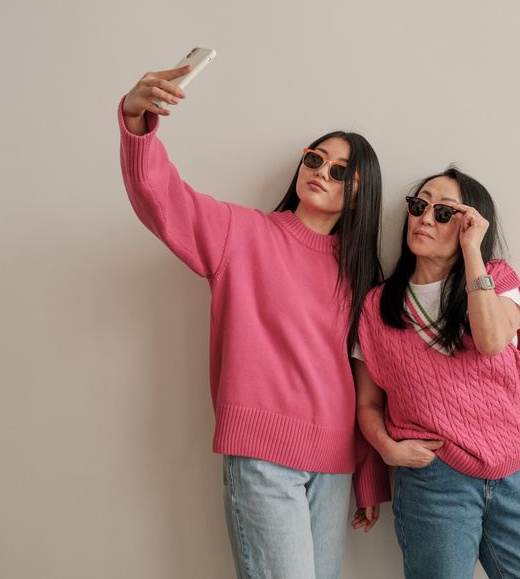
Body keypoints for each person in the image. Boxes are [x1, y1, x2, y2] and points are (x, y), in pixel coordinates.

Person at [118, 65, 390, 579]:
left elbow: (364, 382)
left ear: (359, 192)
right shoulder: (241, 234)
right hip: (264, 460)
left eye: (339, 171)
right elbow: (162, 198)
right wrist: (137, 122)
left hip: (333, 468)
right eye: (316, 159)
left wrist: (368, 477)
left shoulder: (361, 276)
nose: (321, 172)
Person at [353, 166, 520, 578]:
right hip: (434, 483)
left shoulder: (497, 278)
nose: (425, 218)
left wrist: (472, 252)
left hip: (512, 475)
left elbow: (490, 341)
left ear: (470, 223)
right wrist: (387, 448)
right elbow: (367, 402)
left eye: (444, 212)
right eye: (420, 205)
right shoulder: (378, 307)